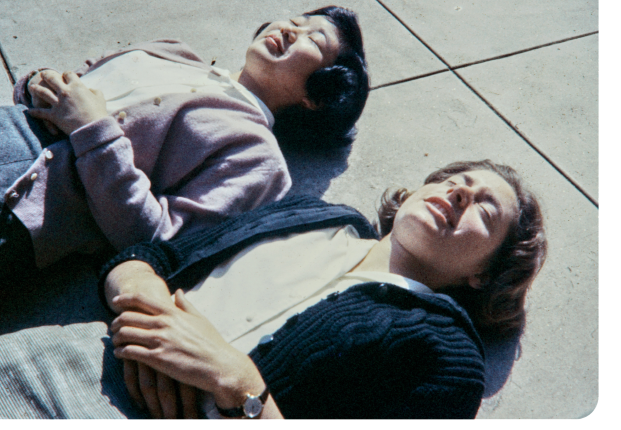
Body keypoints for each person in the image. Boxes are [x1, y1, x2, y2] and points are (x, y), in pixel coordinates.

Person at [0, 6, 370, 319]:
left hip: (11, 199)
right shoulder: (174, 51)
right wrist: (39, 83)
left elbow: (158, 243)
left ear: (317, 98)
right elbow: (68, 84)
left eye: (315, 39)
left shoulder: (259, 158)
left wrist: (93, 129)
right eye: (297, 19)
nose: (291, 28)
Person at [100, 160, 547, 420]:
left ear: (484, 275)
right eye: (456, 182)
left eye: (484, 211)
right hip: (77, 357)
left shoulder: (447, 355)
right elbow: (151, 259)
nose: (459, 195)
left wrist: (236, 383)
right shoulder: (313, 214)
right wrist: (153, 314)